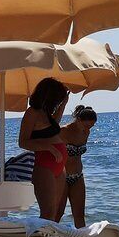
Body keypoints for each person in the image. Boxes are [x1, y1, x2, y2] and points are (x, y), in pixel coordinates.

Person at [19, 78, 69, 219]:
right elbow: (23, 142)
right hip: (44, 165)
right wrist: (49, 148)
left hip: (58, 165)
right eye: (57, 99)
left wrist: (64, 104)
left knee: (57, 212)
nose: (57, 102)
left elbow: (55, 124)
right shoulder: (32, 113)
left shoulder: (45, 113)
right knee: (47, 212)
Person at [55, 105, 97, 226]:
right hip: (61, 177)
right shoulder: (62, 131)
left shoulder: (86, 132)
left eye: (91, 126)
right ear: (78, 120)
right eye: (86, 125)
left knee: (79, 214)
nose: (88, 129)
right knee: (58, 213)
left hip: (77, 176)